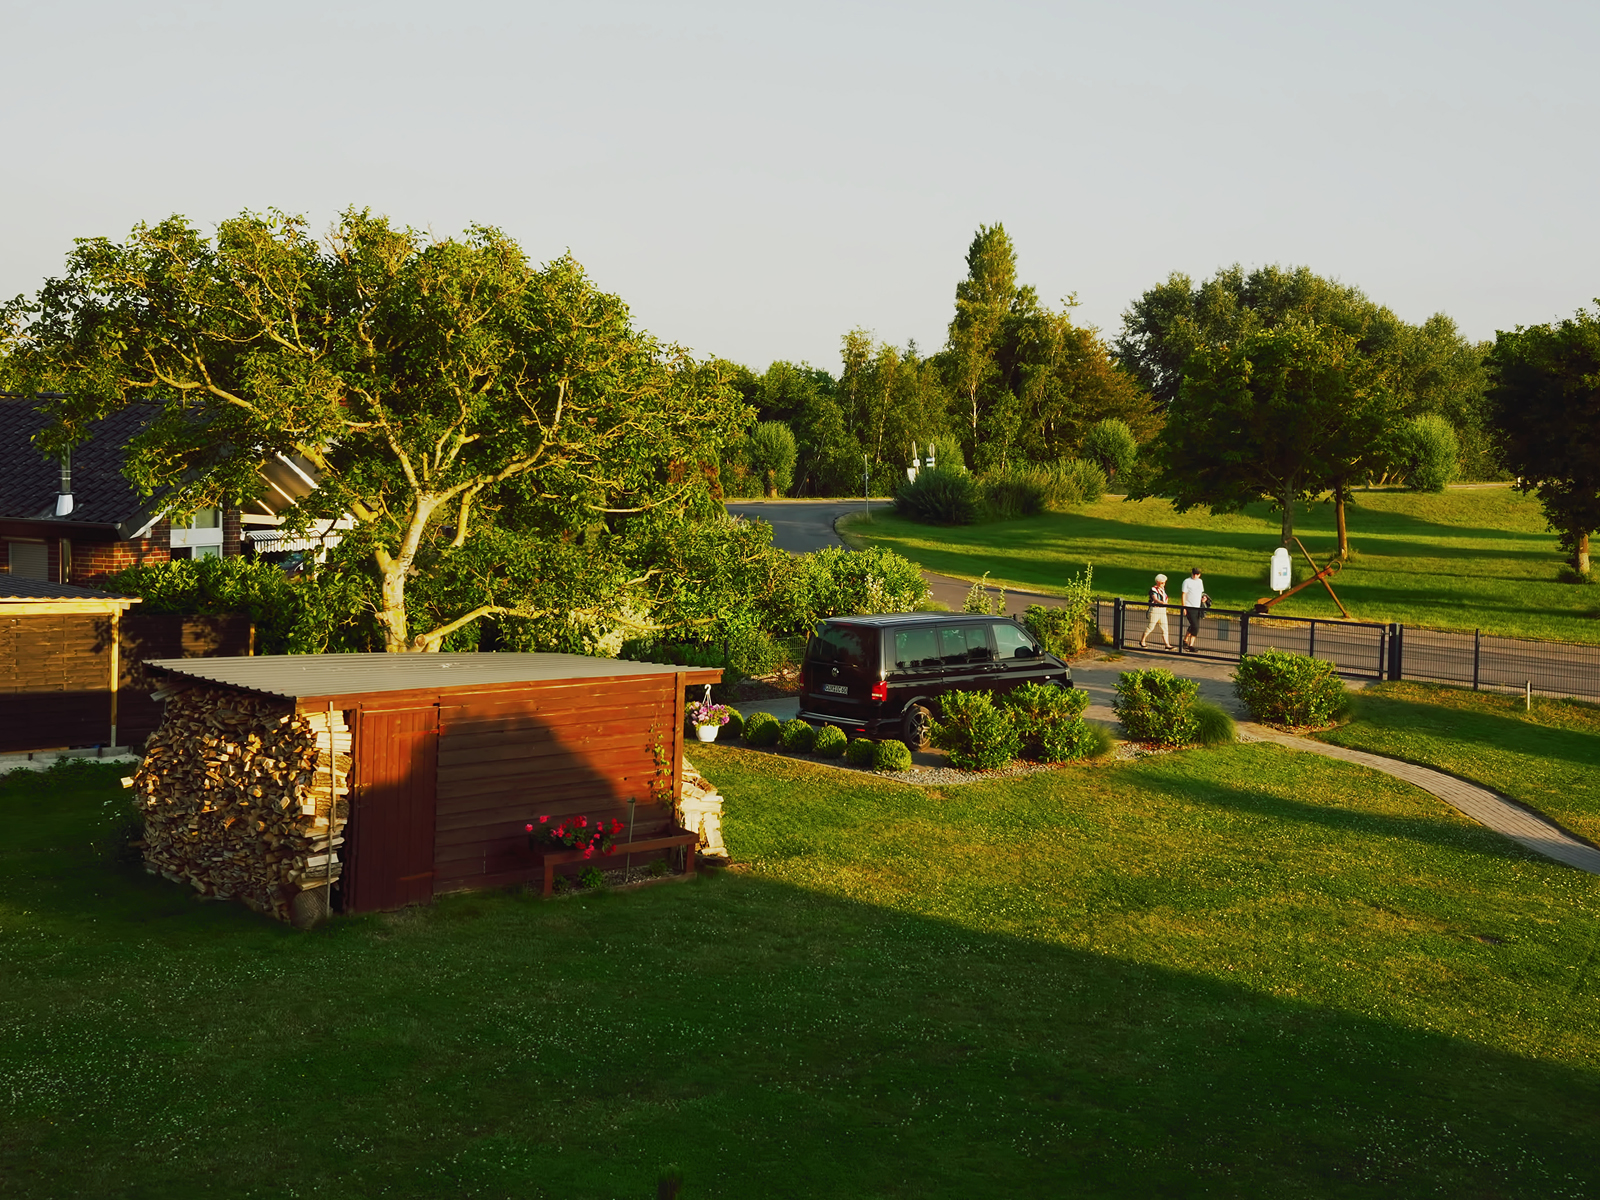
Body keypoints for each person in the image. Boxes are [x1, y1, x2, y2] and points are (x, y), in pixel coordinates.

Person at [1139, 573, 1172, 649]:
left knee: (1165, 628)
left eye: (1164, 582)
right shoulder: (1153, 589)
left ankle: (1167, 644)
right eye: (1162, 582)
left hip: (1162, 610)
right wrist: (1163, 603)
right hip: (1155, 609)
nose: (1163, 584)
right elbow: (1155, 599)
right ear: (1157, 582)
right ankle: (1142, 641)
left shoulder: (1162, 590)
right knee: (1151, 627)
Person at [1180, 566, 1206, 651]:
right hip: (1189, 606)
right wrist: (1184, 607)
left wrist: (1203, 599)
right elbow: (1184, 594)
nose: (1195, 575)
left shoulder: (1200, 582)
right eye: (1194, 574)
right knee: (1195, 626)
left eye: (1197, 574)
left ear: (1199, 575)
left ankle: (1186, 641)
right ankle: (1190, 645)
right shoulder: (1187, 582)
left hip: (1197, 606)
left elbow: (1200, 592)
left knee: (1194, 626)